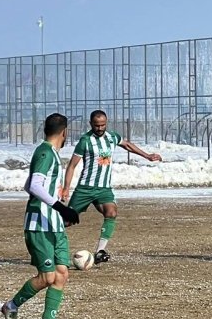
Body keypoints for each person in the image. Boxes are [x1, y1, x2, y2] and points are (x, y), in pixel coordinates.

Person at [0, 113, 81, 319]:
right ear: (64, 132)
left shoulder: (51, 153)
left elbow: (28, 185)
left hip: (52, 224)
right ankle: (11, 306)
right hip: (39, 225)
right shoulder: (45, 152)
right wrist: (61, 207)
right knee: (47, 277)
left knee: (62, 274)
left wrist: (58, 211)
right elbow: (35, 185)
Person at [61, 110, 163, 263]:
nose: (100, 128)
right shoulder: (85, 141)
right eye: (97, 125)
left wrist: (147, 155)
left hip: (104, 189)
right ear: (91, 124)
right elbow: (71, 166)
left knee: (112, 212)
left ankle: (100, 251)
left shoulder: (112, 137)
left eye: (103, 125)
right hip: (85, 188)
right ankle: (45, 240)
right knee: (67, 222)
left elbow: (127, 144)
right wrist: (66, 188)